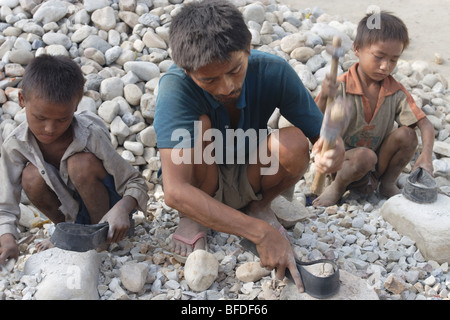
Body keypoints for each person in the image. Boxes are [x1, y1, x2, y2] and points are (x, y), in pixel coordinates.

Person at [154, 0, 344, 291]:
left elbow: (325, 139)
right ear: (187, 71)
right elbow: (175, 191)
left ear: (248, 49)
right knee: (199, 126)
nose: (226, 87)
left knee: (294, 142)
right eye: (209, 80)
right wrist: (260, 234)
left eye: (234, 70)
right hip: (202, 179)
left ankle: (258, 206)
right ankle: (194, 217)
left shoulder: (274, 71)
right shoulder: (175, 87)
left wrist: (332, 152)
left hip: (250, 172)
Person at [0, 54, 149, 267]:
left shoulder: (89, 135)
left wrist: (122, 209)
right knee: (30, 177)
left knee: (80, 164)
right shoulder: (15, 144)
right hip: (70, 210)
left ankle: (99, 239)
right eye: (40, 118)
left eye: (62, 119)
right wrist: (7, 239)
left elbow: (136, 182)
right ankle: (70, 235)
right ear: (22, 100)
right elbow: (5, 203)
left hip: (109, 213)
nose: (50, 129)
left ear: (76, 106)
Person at [312, 11, 435, 207]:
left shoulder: (395, 90)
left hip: (376, 164)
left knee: (408, 135)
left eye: (394, 60)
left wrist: (426, 155)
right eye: (379, 57)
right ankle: (337, 187)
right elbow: (314, 122)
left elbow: (425, 124)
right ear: (357, 49)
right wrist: (325, 96)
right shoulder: (340, 86)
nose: (386, 66)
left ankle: (386, 184)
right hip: (342, 162)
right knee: (364, 156)